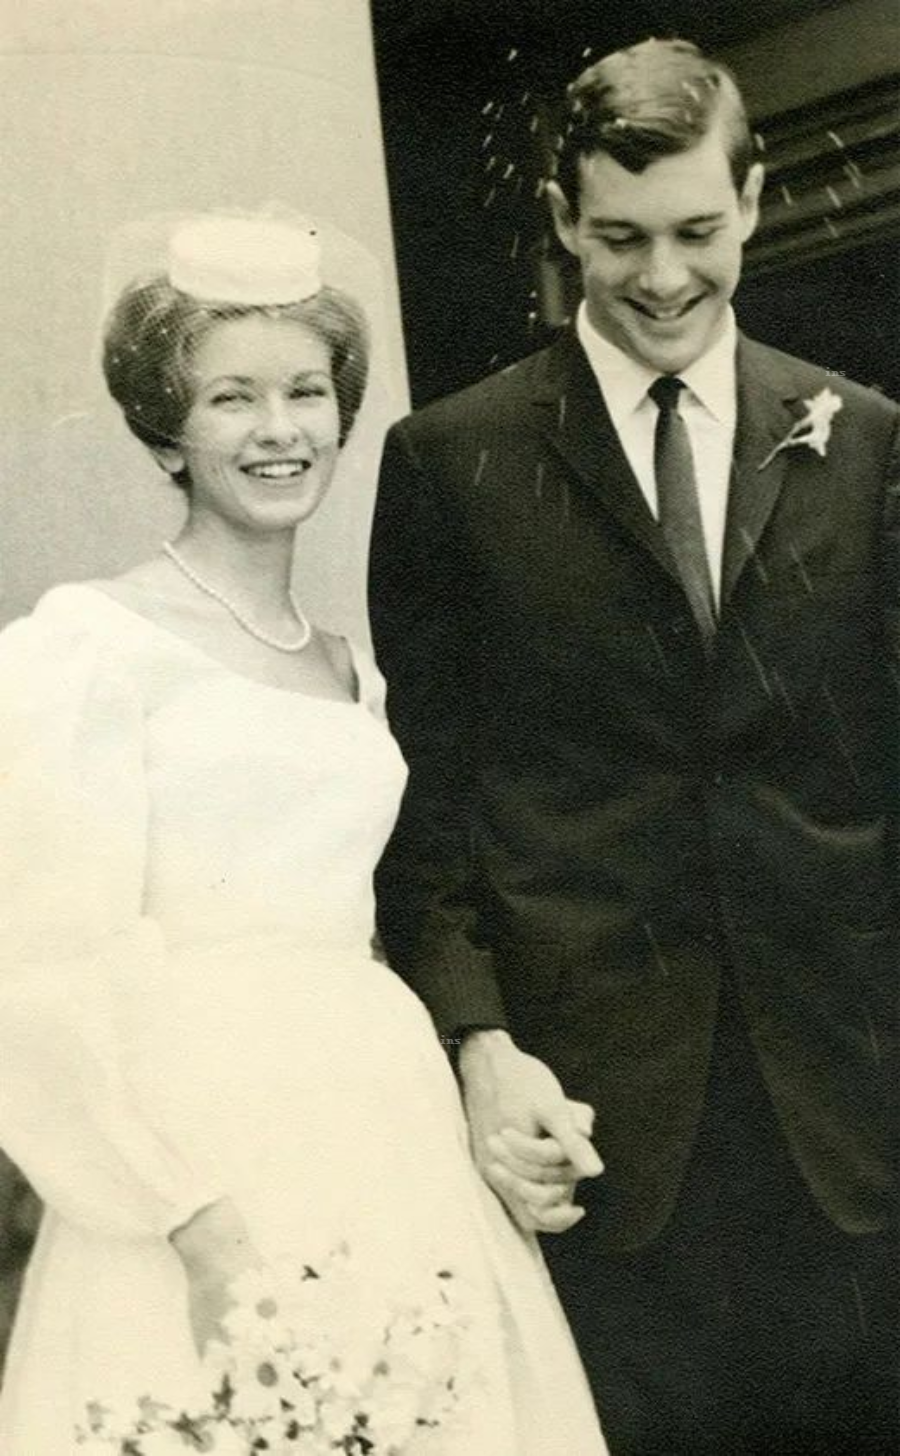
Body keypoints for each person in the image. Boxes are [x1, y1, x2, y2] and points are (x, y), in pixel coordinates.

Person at [0, 214, 607, 1454]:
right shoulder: (87, 650)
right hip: (201, 1159)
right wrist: (193, 1223)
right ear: (165, 429)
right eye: (232, 397)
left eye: (305, 391)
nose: (278, 429)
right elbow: (38, 979)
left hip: (382, 1130)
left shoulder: (353, 672)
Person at [369, 37, 899, 1456]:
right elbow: (428, 815)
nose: (663, 279)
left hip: (853, 1122)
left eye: (696, 232)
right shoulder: (451, 460)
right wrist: (478, 1044)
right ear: (561, 217)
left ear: (756, 199)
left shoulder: (867, 444)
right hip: (600, 1131)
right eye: (618, 239)